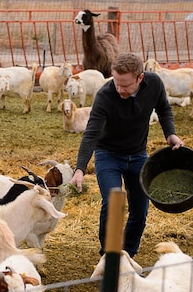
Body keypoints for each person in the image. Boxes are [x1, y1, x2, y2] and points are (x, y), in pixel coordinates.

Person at [70, 53, 184, 258]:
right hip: (108, 155)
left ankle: (128, 256)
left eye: (125, 85)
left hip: (138, 155)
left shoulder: (154, 84)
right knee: (114, 203)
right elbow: (92, 133)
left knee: (140, 210)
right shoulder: (105, 95)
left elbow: (164, 109)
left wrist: (171, 134)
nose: (119, 89)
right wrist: (80, 168)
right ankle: (109, 258)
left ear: (140, 78)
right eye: (116, 82)